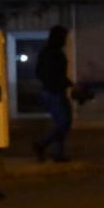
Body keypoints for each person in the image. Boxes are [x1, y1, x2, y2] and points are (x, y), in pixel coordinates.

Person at [33, 25, 74, 163]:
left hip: (51, 91)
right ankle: (42, 144)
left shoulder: (47, 52)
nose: (65, 40)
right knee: (64, 123)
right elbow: (56, 75)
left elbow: (39, 72)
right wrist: (64, 84)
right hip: (54, 92)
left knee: (60, 124)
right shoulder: (54, 53)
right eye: (64, 37)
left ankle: (58, 153)